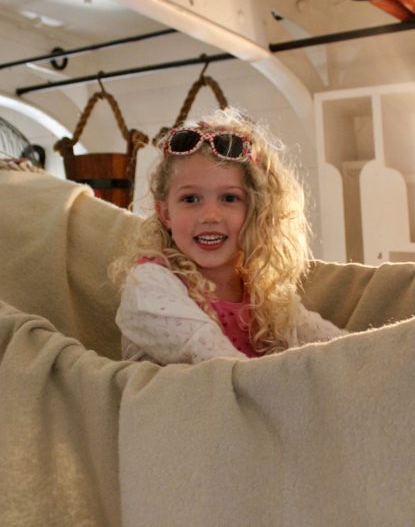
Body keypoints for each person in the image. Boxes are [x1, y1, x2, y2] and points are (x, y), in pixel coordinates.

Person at [110, 108, 345, 365]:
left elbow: (339, 347)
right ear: (165, 213)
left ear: (256, 210)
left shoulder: (261, 292)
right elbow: (228, 371)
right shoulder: (150, 285)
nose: (210, 215)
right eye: (190, 199)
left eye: (229, 198)